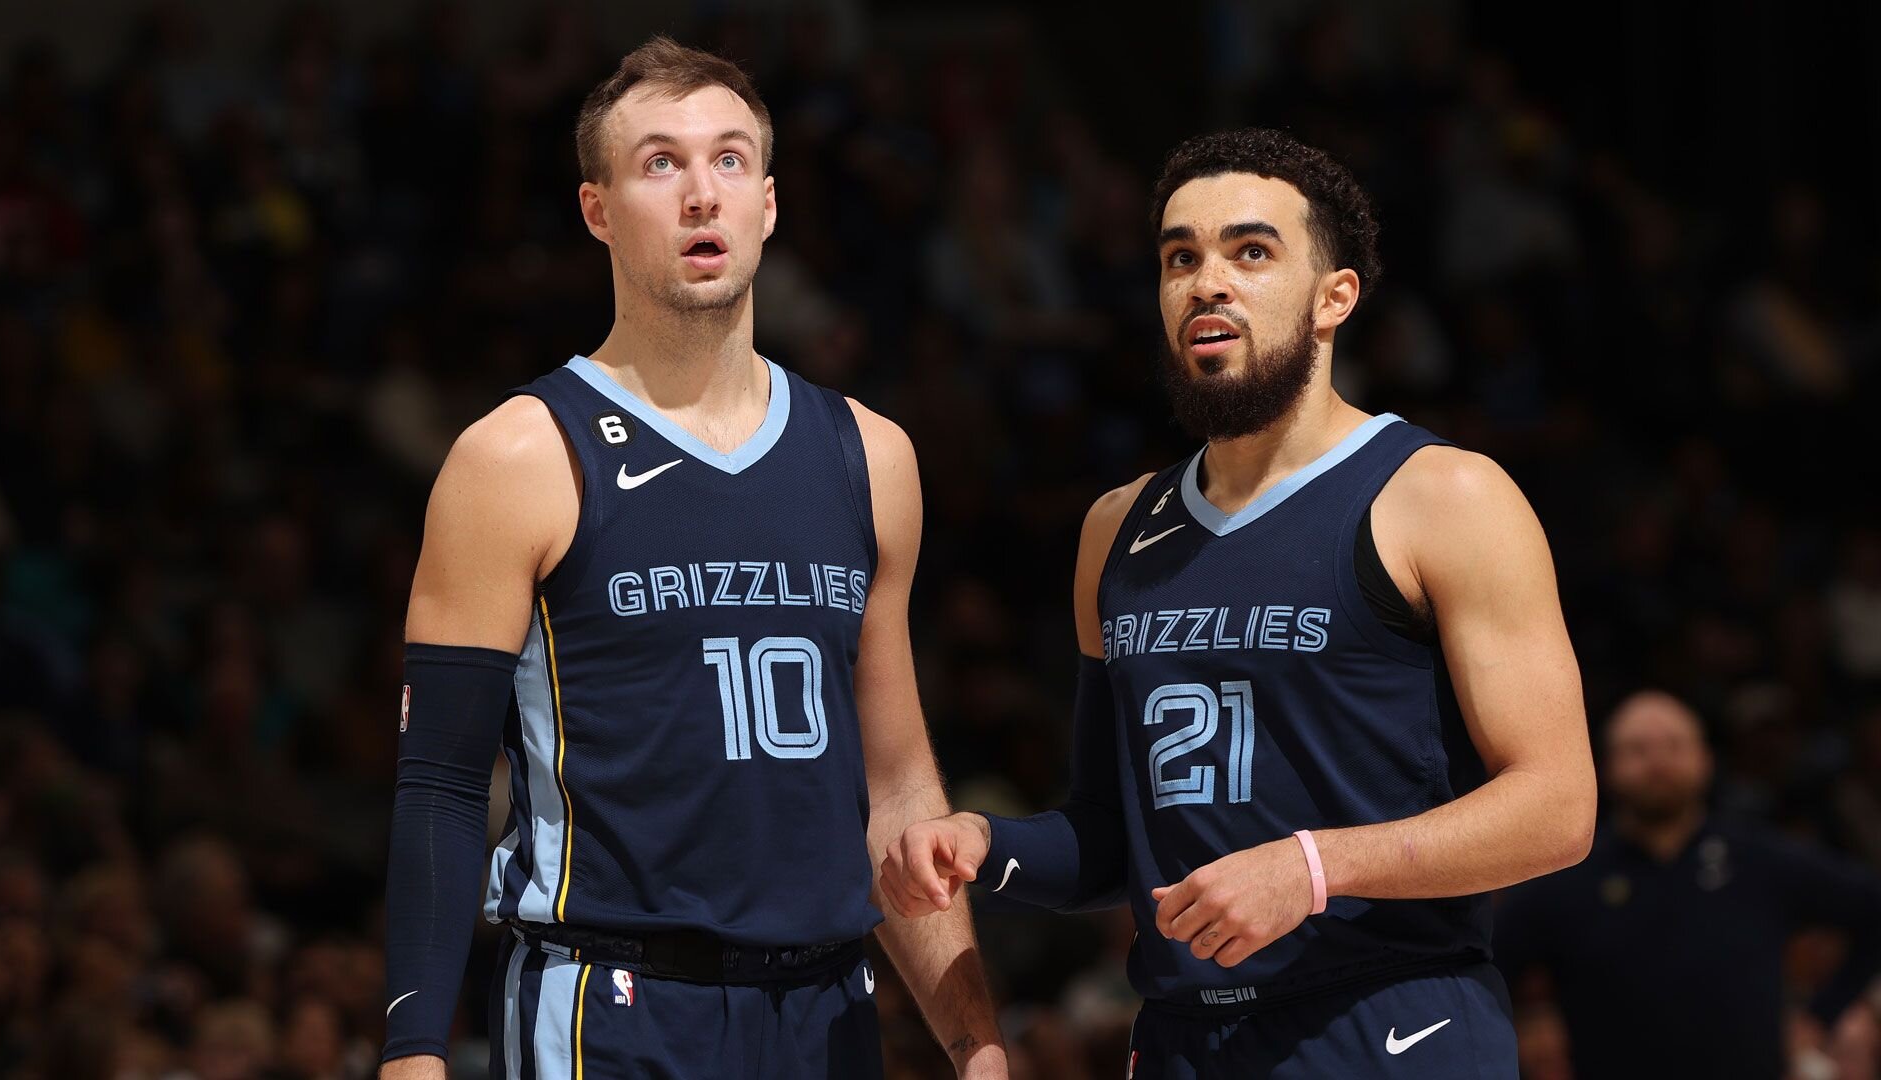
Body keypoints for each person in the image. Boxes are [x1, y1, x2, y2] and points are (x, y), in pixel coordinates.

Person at [880, 128, 1596, 1076]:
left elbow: (1558, 809)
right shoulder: (1116, 528)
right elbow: (1110, 837)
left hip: (1391, 1023)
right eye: (1182, 257)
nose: (1206, 282)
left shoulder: (1444, 496)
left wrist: (1310, 869)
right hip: (1185, 1038)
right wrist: (983, 843)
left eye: (1250, 252)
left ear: (1334, 296)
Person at [378, 37, 1005, 1080]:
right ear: (598, 211)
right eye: (660, 163)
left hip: (827, 1010)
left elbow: (895, 790)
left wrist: (975, 1044)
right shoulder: (518, 454)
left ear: (767, 203)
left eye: (727, 161)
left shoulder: (871, 456)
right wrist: (412, 1052)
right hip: (612, 1006)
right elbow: (442, 781)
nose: (700, 194)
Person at [1494, 689, 1881, 1079]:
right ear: (1606, 766)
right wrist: (1524, 1030)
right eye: (1638, 749)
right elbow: (1492, 960)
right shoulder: (1570, 876)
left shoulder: (1758, 859)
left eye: (1675, 746)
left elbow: (1872, 909)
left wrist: (1822, 1015)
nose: (1658, 762)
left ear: (1705, 759)